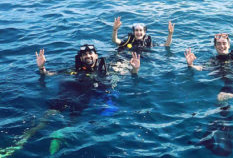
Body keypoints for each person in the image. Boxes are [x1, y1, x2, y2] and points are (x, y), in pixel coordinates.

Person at [0, 45, 140, 158]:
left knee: (70, 122)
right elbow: (49, 74)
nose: (88, 56)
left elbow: (126, 75)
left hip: (82, 100)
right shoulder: (73, 70)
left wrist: (135, 69)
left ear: (96, 56)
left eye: (90, 53)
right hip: (66, 97)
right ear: (81, 58)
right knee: (46, 118)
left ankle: (58, 137)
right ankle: (19, 143)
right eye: (84, 54)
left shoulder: (106, 70)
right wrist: (41, 68)